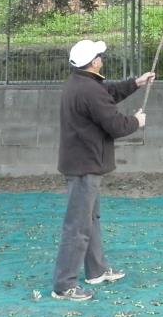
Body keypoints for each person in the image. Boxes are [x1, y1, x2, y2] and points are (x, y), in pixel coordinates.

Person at [51, 39, 154, 301]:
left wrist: (136, 83)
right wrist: (136, 121)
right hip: (85, 166)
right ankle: (64, 285)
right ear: (94, 62)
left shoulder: (81, 83)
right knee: (77, 226)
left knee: (90, 220)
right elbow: (116, 125)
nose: (103, 59)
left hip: (83, 164)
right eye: (100, 56)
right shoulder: (89, 90)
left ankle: (95, 270)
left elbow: (107, 93)